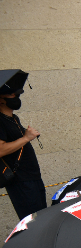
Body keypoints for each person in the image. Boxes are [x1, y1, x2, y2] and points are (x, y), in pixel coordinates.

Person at [0, 84, 46, 219]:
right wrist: (26, 138)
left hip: (33, 177)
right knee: (33, 224)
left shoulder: (14, 118)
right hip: (21, 181)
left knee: (42, 218)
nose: (16, 97)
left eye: (17, 94)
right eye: (12, 94)